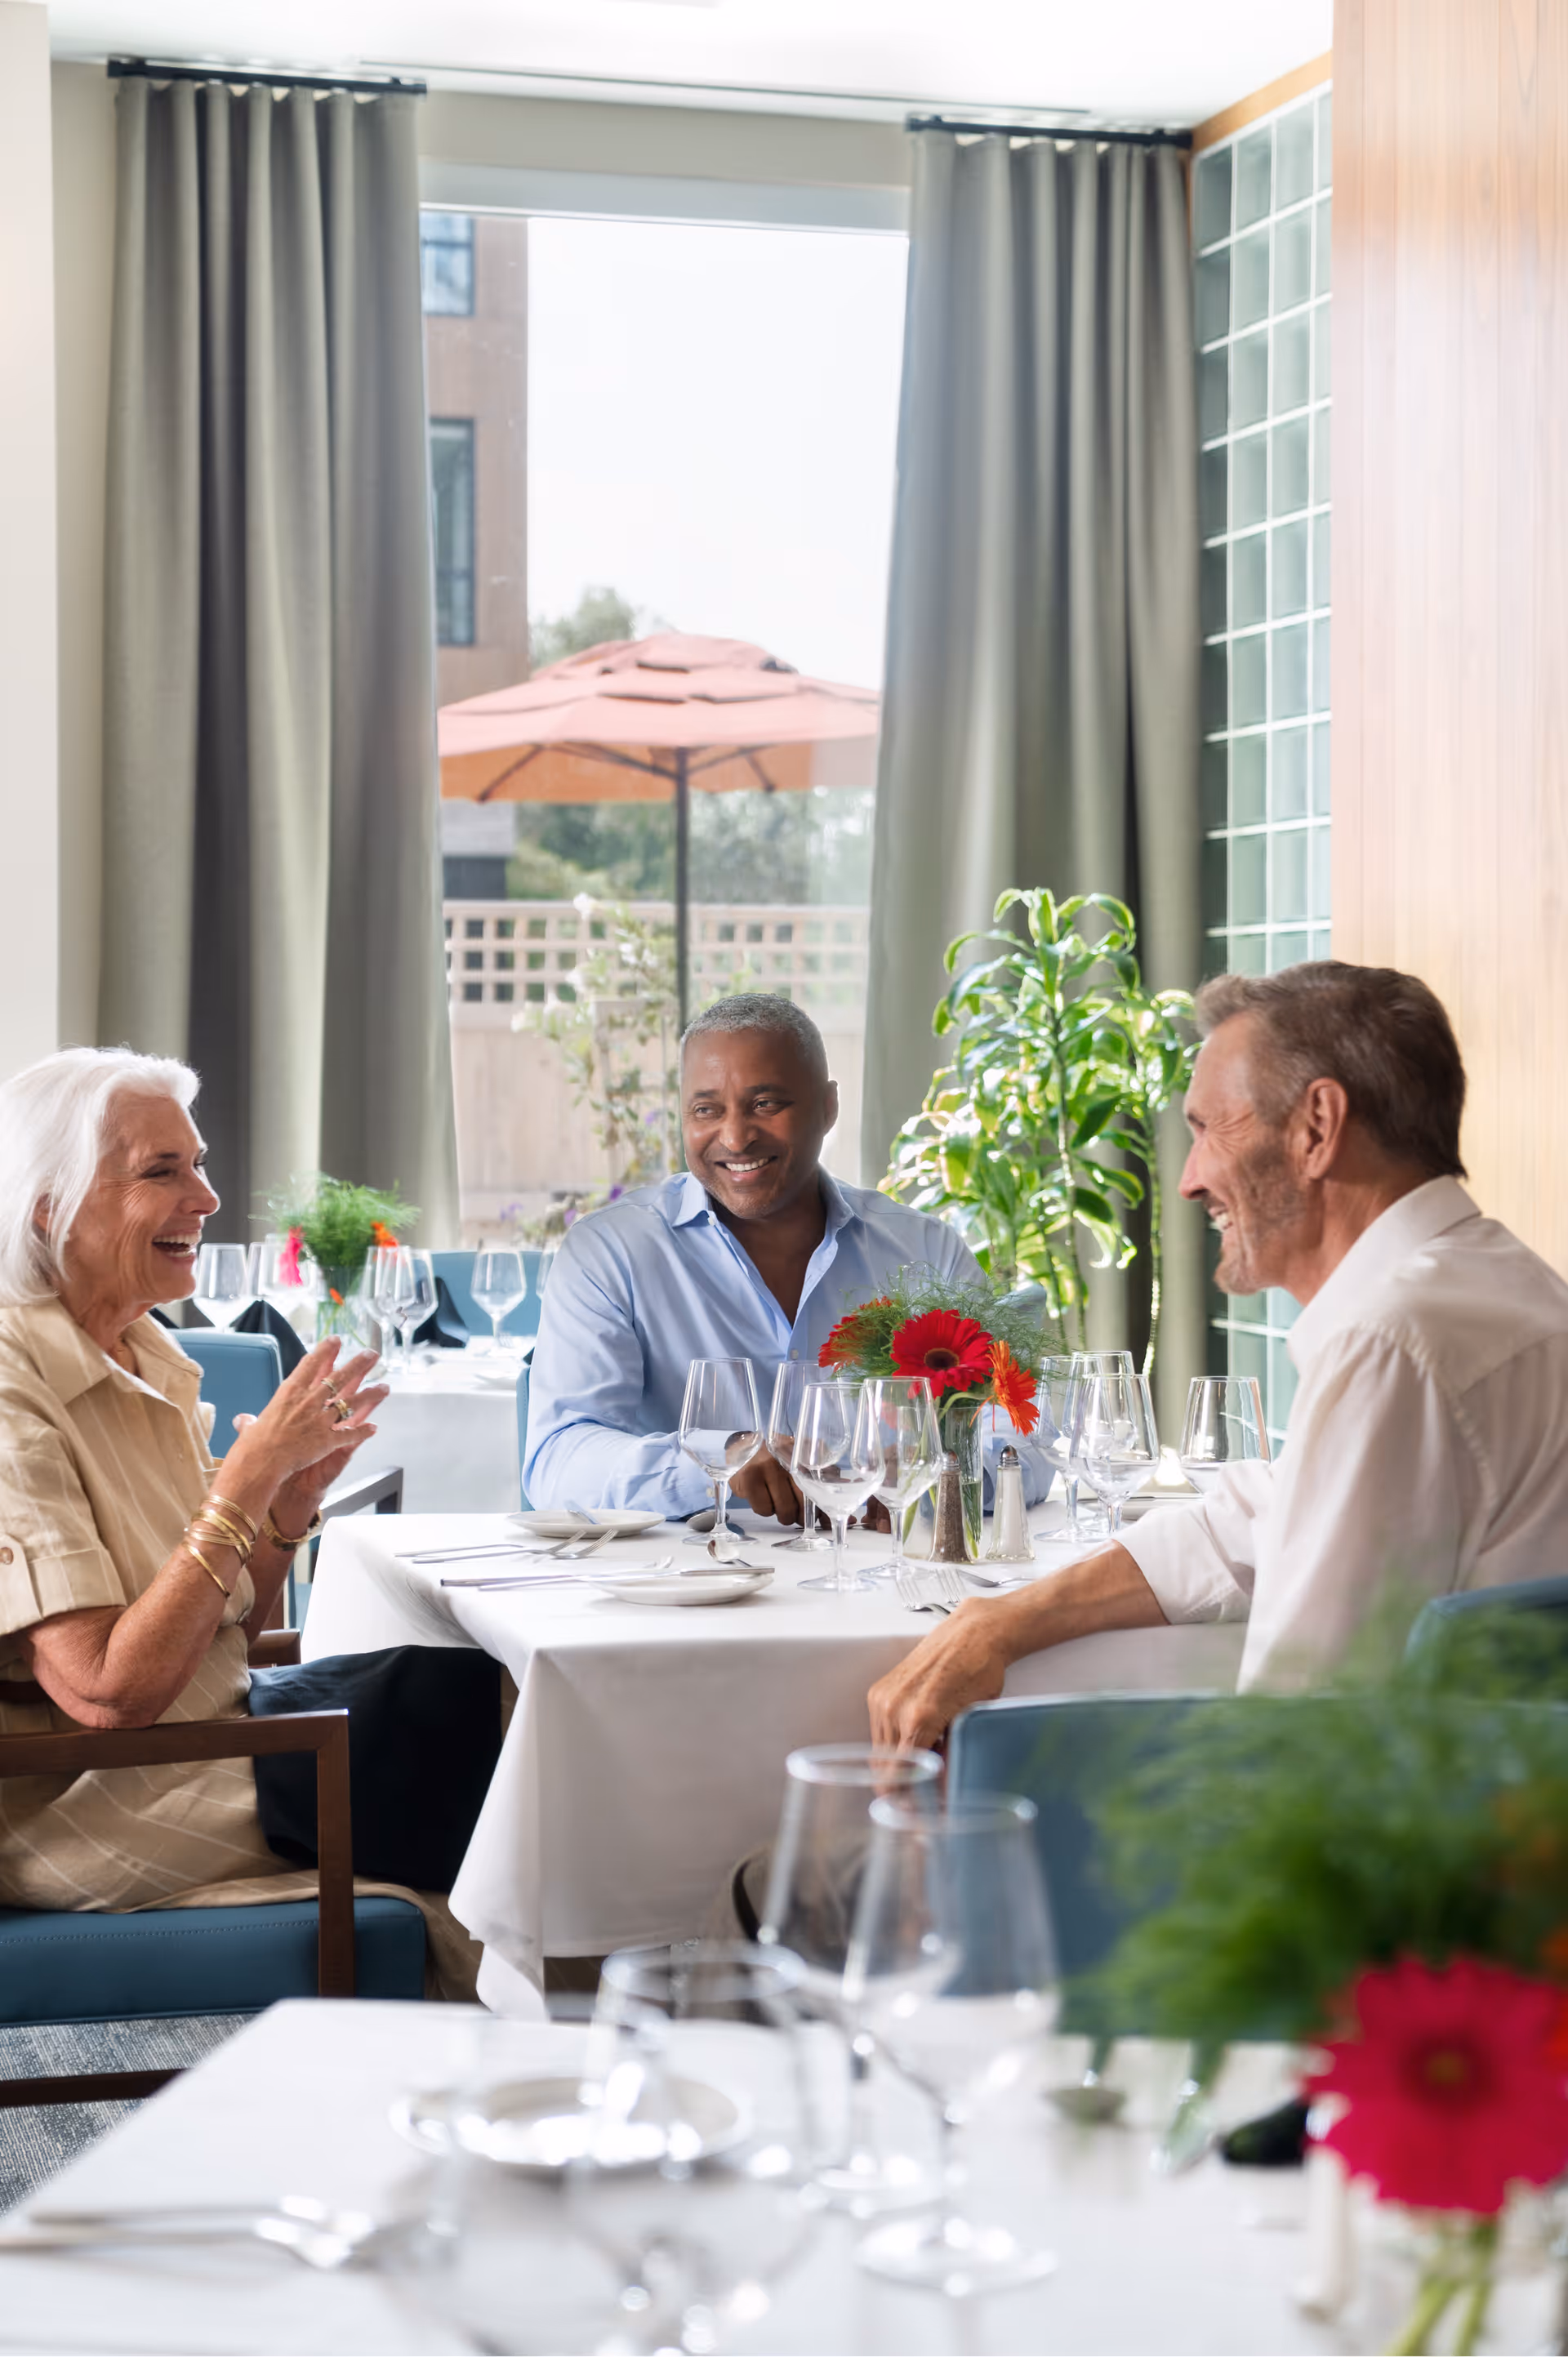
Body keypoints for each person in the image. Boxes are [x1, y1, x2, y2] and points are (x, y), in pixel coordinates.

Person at [869, 960, 1568, 1747]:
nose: (1189, 1182)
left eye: (1208, 1129)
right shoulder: (1504, 1291)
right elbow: (1253, 1519)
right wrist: (1004, 1619)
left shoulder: (1393, 1346)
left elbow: (1299, 1735)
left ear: (1316, 1128)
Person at [0, 1047, 497, 1995]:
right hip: (89, 1801)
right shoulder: (10, 1386)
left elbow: (233, 1626)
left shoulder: (144, 1353)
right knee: (491, 1783)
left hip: (213, 1735)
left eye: (198, 1163)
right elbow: (109, 1694)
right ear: (50, 1206)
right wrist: (244, 1485)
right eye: (163, 1171)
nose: (209, 1195)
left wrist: (285, 1508)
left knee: (494, 1693)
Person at [526, 994, 1036, 1520]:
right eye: (706, 1110)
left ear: (828, 1107)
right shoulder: (609, 1253)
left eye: (766, 1104)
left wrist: (937, 1472)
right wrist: (711, 1460)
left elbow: (1029, 1438)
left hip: (888, 1583)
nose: (735, 1136)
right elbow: (558, 1464)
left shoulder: (926, 1250)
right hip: (691, 1588)